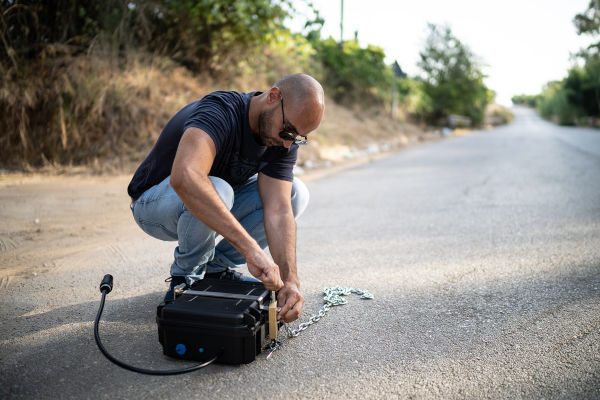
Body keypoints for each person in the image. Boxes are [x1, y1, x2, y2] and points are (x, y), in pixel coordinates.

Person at [127, 73, 325, 323]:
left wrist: (290, 281)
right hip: (154, 205)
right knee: (218, 188)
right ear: (273, 97)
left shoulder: (282, 141)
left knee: (296, 194)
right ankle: (186, 278)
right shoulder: (220, 110)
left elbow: (279, 210)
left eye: (297, 137)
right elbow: (185, 178)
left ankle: (215, 269)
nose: (288, 143)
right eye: (287, 131)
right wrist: (251, 250)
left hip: (211, 203)